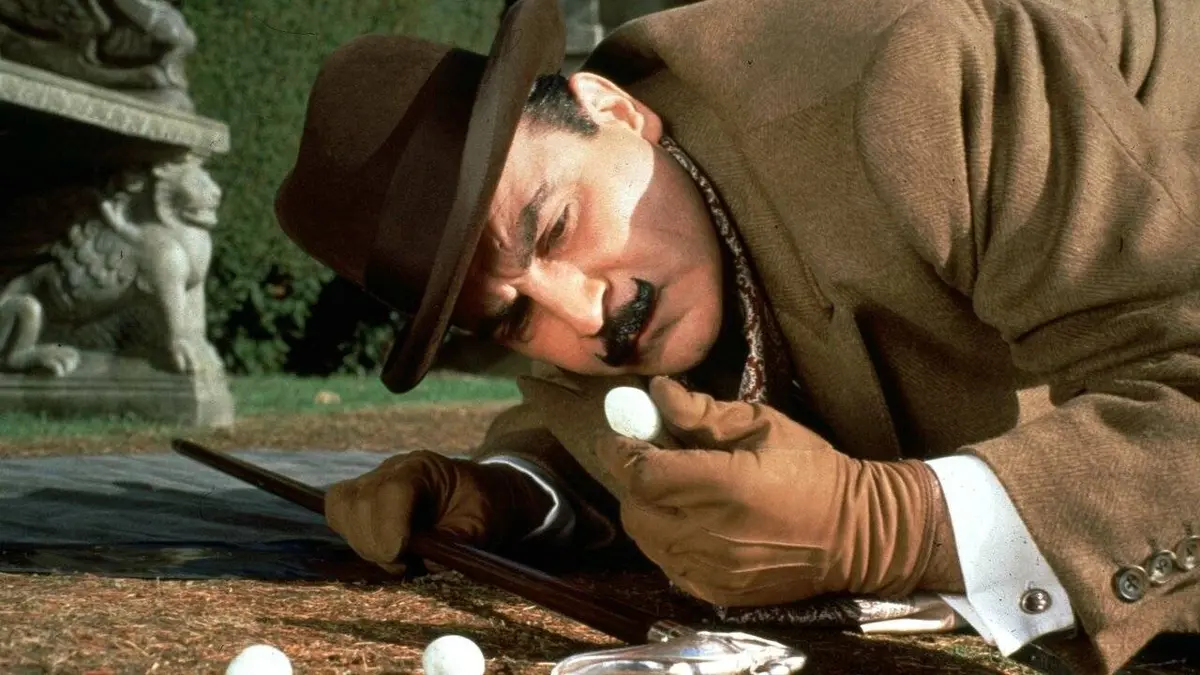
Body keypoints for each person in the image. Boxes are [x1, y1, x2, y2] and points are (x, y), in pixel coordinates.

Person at [272, 0, 1200, 672]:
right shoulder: (617, 284)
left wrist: (903, 525)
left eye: (553, 228)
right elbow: (595, 423)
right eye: (513, 316)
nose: (584, 316)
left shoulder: (922, 86)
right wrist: (514, 495)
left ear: (615, 109)